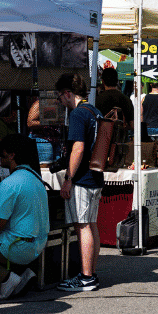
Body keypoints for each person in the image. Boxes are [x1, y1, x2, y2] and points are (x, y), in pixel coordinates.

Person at [0, 134, 49, 300]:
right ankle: (20, 273)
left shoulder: (10, 183)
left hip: (19, 248)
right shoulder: (36, 179)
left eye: (1, 152)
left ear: (11, 155)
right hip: (37, 246)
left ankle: (5, 278)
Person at [55, 73, 104, 292]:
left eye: (60, 97)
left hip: (83, 178)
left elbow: (78, 148)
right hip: (96, 175)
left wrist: (68, 179)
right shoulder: (95, 111)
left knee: (82, 225)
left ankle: (86, 277)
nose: (61, 102)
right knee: (91, 224)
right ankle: (90, 273)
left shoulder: (77, 114)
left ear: (67, 93)